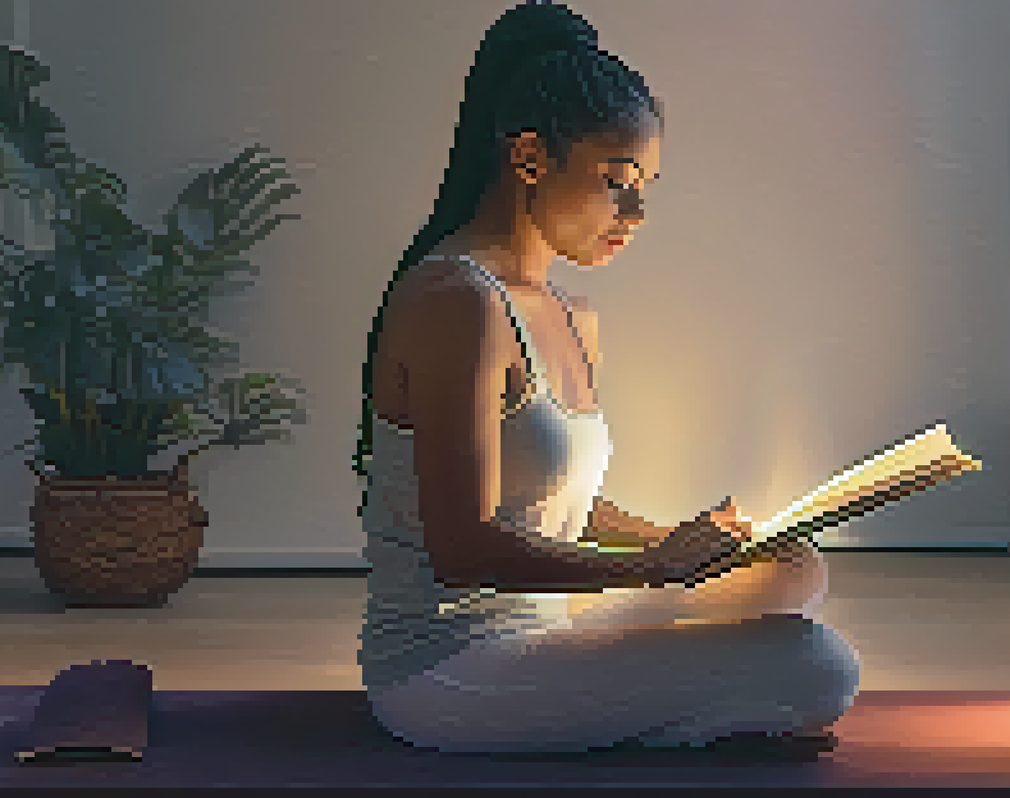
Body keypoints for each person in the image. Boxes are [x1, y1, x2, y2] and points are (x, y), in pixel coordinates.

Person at [354, 0, 860, 756]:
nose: (638, 209)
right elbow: (464, 551)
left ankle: (668, 714)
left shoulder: (571, 312)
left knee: (792, 576)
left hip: (550, 622)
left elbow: (555, 509)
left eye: (647, 183)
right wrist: (655, 572)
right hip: (450, 668)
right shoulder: (456, 301)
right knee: (818, 664)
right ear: (530, 158)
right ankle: (671, 724)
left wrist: (688, 544)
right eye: (617, 180)